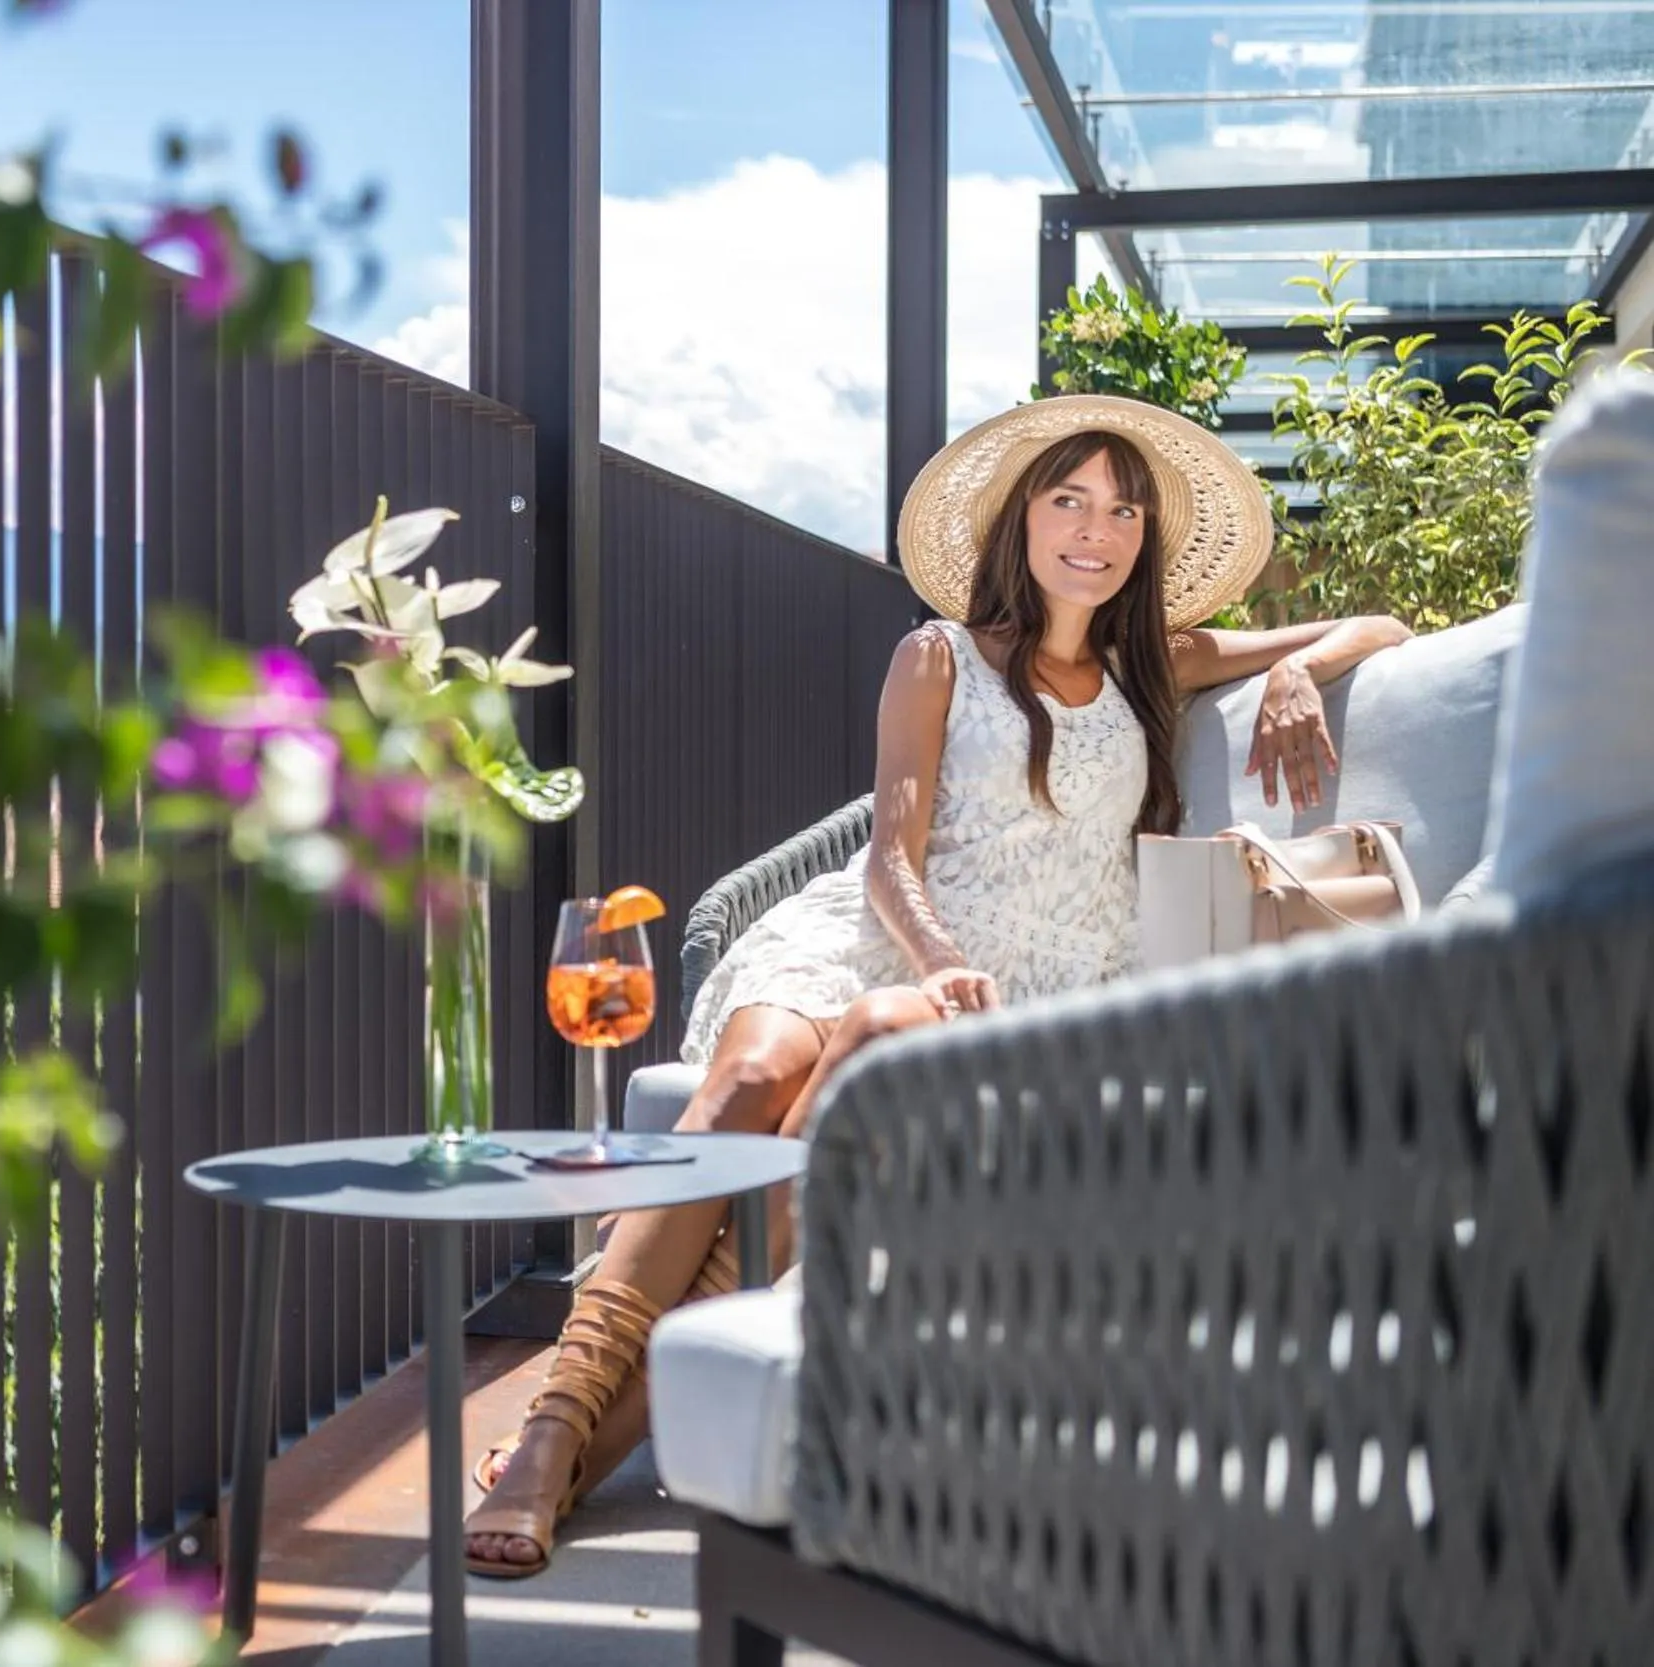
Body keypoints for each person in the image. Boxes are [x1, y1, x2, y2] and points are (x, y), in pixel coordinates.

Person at [464, 394, 1415, 1579]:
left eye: (1120, 509)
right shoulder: (939, 655)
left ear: (1142, 538)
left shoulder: (1156, 662)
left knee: (868, 1044)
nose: (1094, 528)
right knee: (760, 1066)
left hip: (1034, 973)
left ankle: (554, 1444)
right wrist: (931, 954)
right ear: (1021, 518)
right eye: (1067, 498)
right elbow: (889, 854)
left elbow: (1375, 621)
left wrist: (1296, 675)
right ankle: (570, 1414)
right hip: (880, 931)